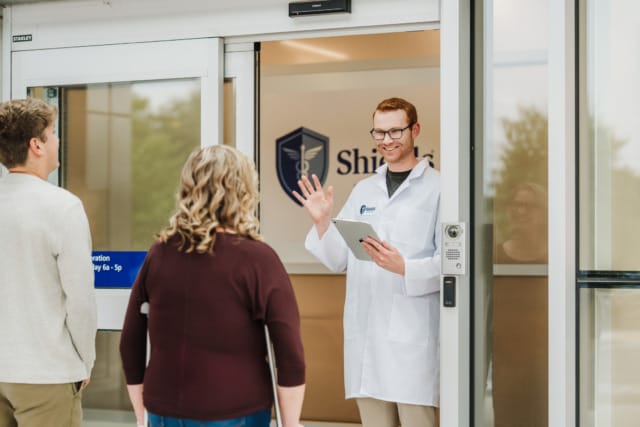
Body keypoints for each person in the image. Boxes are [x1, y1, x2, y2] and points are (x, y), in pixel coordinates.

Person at [120, 145, 306, 427]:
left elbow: (130, 341)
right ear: (244, 190)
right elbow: (290, 354)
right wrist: (291, 424)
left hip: (164, 410)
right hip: (235, 411)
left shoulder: (160, 253)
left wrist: (141, 415)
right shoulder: (258, 259)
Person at [293, 97, 440, 427]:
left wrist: (406, 268)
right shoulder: (364, 190)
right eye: (379, 132)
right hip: (367, 338)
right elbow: (337, 258)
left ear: (414, 130)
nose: (386, 140)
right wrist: (322, 222)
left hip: (412, 338)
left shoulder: (438, 188)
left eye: (395, 131)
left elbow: (450, 265)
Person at [0, 98, 97, 427]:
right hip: (46, 374)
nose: (58, 140)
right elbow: (80, 300)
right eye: (53, 133)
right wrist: (84, 361)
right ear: (36, 144)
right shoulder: (63, 207)